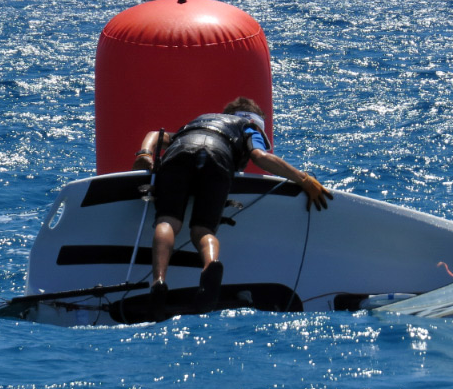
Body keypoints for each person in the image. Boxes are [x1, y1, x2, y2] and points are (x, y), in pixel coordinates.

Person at [132, 97, 332, 315]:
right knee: (203, 230)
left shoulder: (197, 122)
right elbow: (260, 156)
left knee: (168, 220)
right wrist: (303, 179)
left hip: (180, 153)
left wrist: (144, 153)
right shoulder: (249, 128)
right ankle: (210, 264)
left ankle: (158, 282)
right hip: (218, 159)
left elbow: (155, 134)